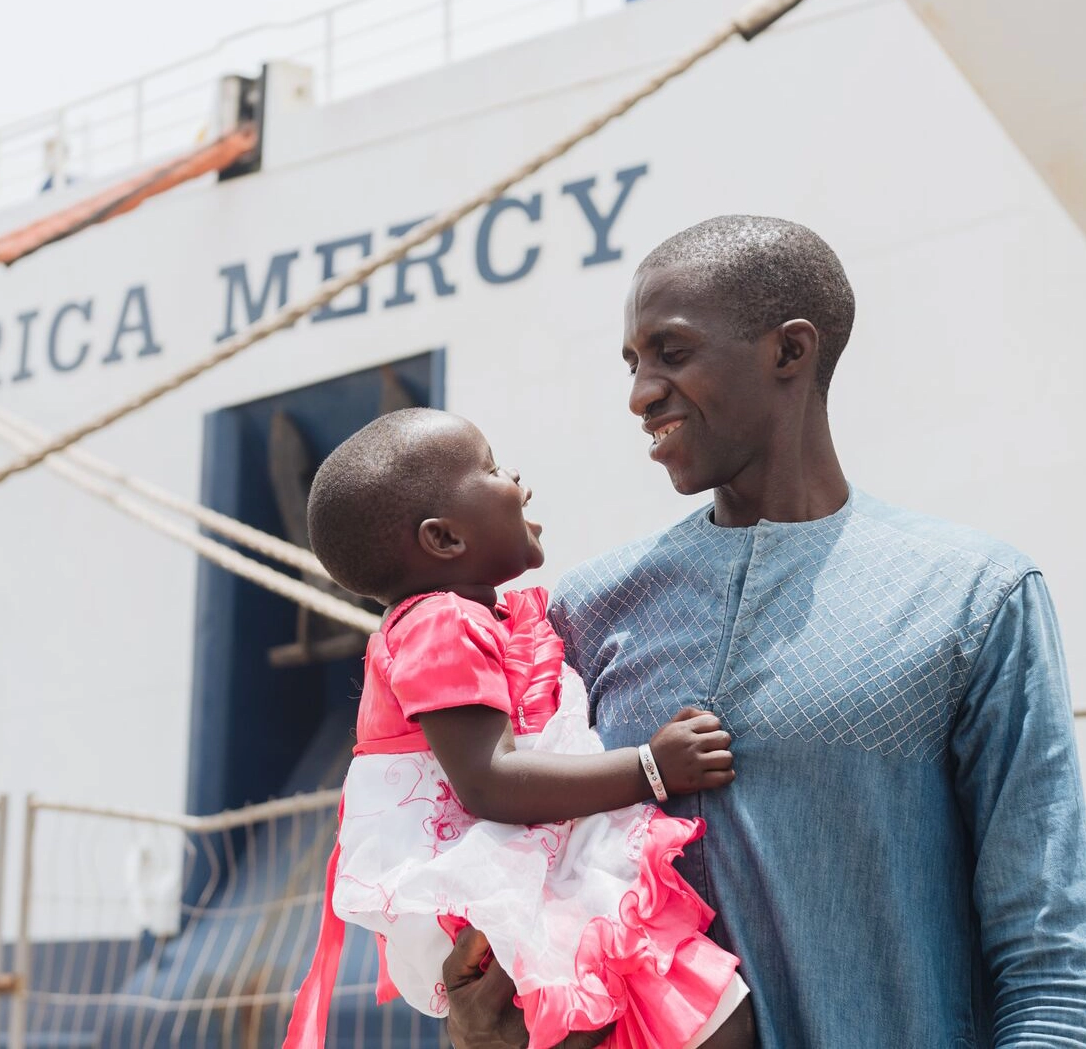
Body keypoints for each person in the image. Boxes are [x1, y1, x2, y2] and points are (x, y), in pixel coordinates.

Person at [445, 215, 1086, 1047]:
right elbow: (524, 896)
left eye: (670, 355)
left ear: (789, 352)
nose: (640, 394)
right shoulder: (589, 610)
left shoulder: (973, 596)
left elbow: (1045, 960)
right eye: (633, 365)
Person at [284, 408, 754, 1049]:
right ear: (444, 540)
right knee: (707, 1020)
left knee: (693, 1018)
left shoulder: (476, 619)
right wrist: (652, 767)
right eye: (492, 468)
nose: (518, 480)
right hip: (505, 890)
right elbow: (490, 780)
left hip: (529, 876)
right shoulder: (441, 623)